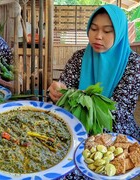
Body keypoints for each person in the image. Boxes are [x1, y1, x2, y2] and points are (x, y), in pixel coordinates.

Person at [49, 4, 140, 179]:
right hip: (75, 126)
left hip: (115, 133)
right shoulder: (78, 58)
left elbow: (117, 111)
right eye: (94, 28)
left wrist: (75, 97)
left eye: (107, 31)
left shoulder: (133, 64)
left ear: (120, 33)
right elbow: (63, 93)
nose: (98, 36)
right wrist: (57, 92)